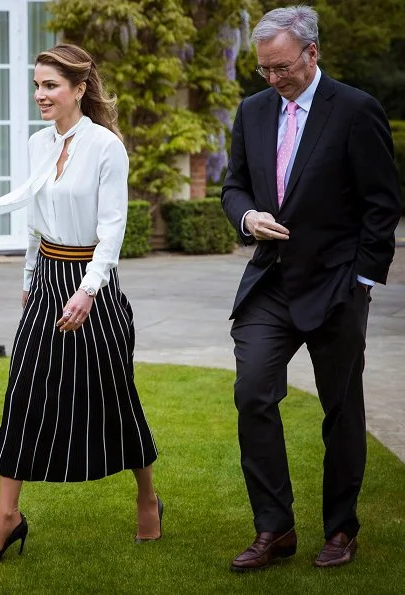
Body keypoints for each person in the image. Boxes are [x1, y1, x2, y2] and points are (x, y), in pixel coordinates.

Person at [0, 44, 162, 563]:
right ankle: (7, 517)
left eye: (50, 85)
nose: (40, 95)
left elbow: (112, 228)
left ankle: (147, 495)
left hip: (92, 286)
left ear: (79, 88)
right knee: (23, 393)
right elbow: (34, 213)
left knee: (114, 396)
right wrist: (30, 276)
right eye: (36, 85)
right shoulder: (36, 144)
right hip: (48, 280)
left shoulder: (106, 147)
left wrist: (89, 289)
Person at [221, 5, 402, 572]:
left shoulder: (355, 109)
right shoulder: (251, 112)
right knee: (252, 393)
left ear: (311, 53)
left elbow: (382, 205)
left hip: (336, 286)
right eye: (264, 71)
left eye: (281, 68)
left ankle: (341, 529)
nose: (273, 80)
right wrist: (247, 217)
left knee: (341, 409)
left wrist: (363, 281)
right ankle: (274, 529)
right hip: (269, 283)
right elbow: (233, 187)